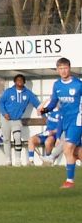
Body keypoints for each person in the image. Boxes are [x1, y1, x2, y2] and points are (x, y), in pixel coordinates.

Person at [38, 57, 82, 188]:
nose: (63, 71)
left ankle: (69, 181)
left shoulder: (78, 84)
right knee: (76, 151)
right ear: (57, 70)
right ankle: (68, 179)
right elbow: (53, 103)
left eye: (65, 68)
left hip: (77, 120)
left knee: (68, 148)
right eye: (60, 68)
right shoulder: (57, 85)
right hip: (65, 121)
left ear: (69, 68)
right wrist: (45, 109)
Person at [0, 74, 41, 166]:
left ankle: (18, 159)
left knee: (17, 137)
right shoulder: (8, 92)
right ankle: (8, 160)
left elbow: (37, 104)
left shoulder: (28, 93)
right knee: (6, 139)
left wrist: (44, 109)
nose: (19, 81)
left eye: (21, 80)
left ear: (24, 82)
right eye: (17, 80)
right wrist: (4, 113)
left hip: (16, 120)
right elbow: (1, 103)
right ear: (15, 82)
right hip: (5, 118)